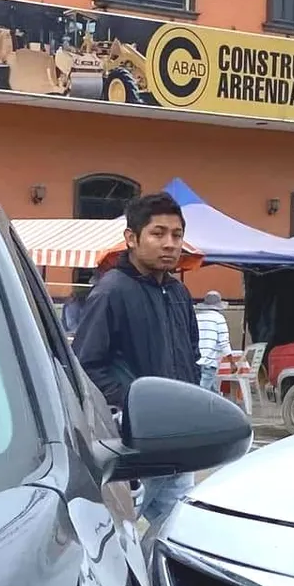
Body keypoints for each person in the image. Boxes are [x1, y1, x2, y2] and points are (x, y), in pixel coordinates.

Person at [73, 192, 199, 535]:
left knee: (183, 534)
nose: (170, 244)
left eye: (176, 235)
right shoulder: (111, 292)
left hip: (178, 444)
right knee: (114, 535)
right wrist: (136, 404)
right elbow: (86, 367)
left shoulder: (179, 294)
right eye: (158, 234)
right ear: (132, 238)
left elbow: (192, 358)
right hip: (132, 446)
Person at [195, 290, 232, 394]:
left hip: (195, 361)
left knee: (212, 392)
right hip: (209, 362)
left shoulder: (196, 317)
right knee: (203, 393)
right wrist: (232, 363)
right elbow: (224, 342)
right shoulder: (219, 318)